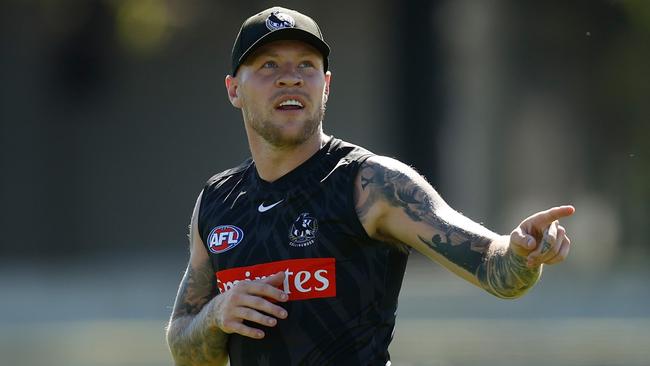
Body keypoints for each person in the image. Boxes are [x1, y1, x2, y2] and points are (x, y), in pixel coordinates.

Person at [166, 6, 575, 366]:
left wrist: (523, 253)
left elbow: (494, 268)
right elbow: (185, 348)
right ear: (234, 89)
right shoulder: (218, 201)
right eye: (269, 65)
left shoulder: (371, 184)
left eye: (306, 64)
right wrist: (217, 313)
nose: (290, 78)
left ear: (325, 85)